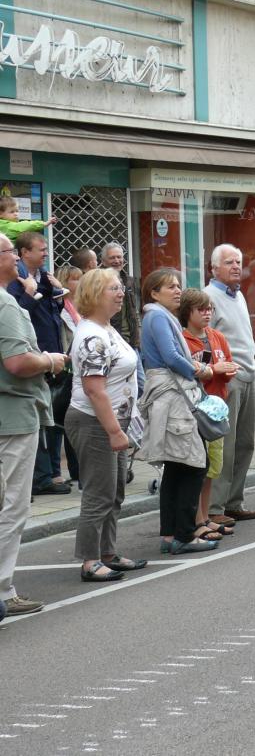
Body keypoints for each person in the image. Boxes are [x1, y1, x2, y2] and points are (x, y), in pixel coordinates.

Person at [65, 268, 145, 580]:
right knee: (99, 494)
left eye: (120, 287)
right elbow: (93, 389)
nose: (120, 292)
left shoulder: (106, 328)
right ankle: (90, 560)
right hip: (94, 422)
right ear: (95, 294)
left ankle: (107, 552)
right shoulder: (91, 336)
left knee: (115, 492)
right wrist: (113, 430)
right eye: (113, 288)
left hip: (114, 421)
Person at [0, 233, 63, 613]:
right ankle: (4, 590)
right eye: (10, 252)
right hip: (12, 417)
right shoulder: (6, 305)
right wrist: (51, 360)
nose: (17, 258)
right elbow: (18, 363)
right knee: (12, 506)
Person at [140, 268, 217, 554]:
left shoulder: (158, 316)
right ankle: (185, 534)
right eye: (170, 286)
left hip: (170, 396)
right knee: (193, 463)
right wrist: (202, 370)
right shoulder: (158, 316)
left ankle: (171, 534)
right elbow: (171, 357)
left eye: (178, 286)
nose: (177, 291)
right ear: (154, 292)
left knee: (175, 466)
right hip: (173, 398)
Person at [7, 232, 68, 496]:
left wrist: (57, 293)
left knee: (53, 419)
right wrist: (31, 294)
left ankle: (52, 473)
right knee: (41, 420)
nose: (45, 253)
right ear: (23, 253)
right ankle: (41, 477)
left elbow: (54, 315)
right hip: (33, 360)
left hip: (52, 357)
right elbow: (18, 317)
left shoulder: (45, 277)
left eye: (46, 249)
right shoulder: (16, 282)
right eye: (40, 249)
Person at [204, 244, 255, 525]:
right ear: (214, 268)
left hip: (249, 373)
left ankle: (234, 501)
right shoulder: (209, 297)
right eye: (229, 262)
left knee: (245, 443)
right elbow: (204, 340)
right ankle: (215, 506)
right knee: (224, 445)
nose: (236, 266)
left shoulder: (237, 295)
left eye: (238, 261)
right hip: (229, 378)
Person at [180, 289, 238, 542]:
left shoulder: (216, 337)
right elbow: (188, 372)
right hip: (193, 410)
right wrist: (213, 370)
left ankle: (205, 517)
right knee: (197, 467)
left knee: (212, 467)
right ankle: (197, 518)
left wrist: (225, 371)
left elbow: (227, 366)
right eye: (200, 309)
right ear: (187, 313)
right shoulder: (183, 339)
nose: (207, 314)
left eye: (209, 309)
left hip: (215, 409)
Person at [54, 263, 83, 485]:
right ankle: (63, 469)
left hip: (76, 369)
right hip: (65, 368)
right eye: (74, 278)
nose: (79, 281)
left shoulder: (79, 307)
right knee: (63, 418)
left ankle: (78, 469)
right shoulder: (61, 307)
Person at [101, 242, 140, 348]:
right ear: (104, 262)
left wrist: (138, 334)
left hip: (132, 342)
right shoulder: (99, 282)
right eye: (112, 258)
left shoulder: (129, 281)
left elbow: (134, 310)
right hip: (113, 342)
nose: (117, 261)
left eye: (119, 257)